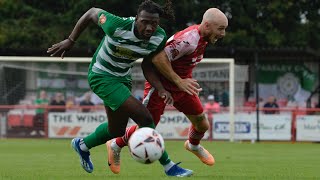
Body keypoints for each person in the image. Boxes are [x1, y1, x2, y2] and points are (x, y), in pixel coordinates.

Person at [47, 0, 192, 177]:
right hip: (101, 76)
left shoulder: (159, 37)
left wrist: (160, 88)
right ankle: (169, 166)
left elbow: (148, 66)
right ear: (136, 18)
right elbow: (92, 12)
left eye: (154, 23)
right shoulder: (116, 25)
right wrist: (71, 40)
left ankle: (82, 145)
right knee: (145, 118)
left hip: (123, 77)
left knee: (116, 131)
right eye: (144, 22)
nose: (149, 28)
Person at [111, 7, 228, 172]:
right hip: (161, 86)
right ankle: (116, 144)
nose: (223, 34)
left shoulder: (203, 38)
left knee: (202, 123)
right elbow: (158, 58)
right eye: (221, 29)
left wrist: (182, 82)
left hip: (181, 87)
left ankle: (193, 146)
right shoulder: (189, 40)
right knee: (146, 128)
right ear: (207, 25)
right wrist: (179, 81)